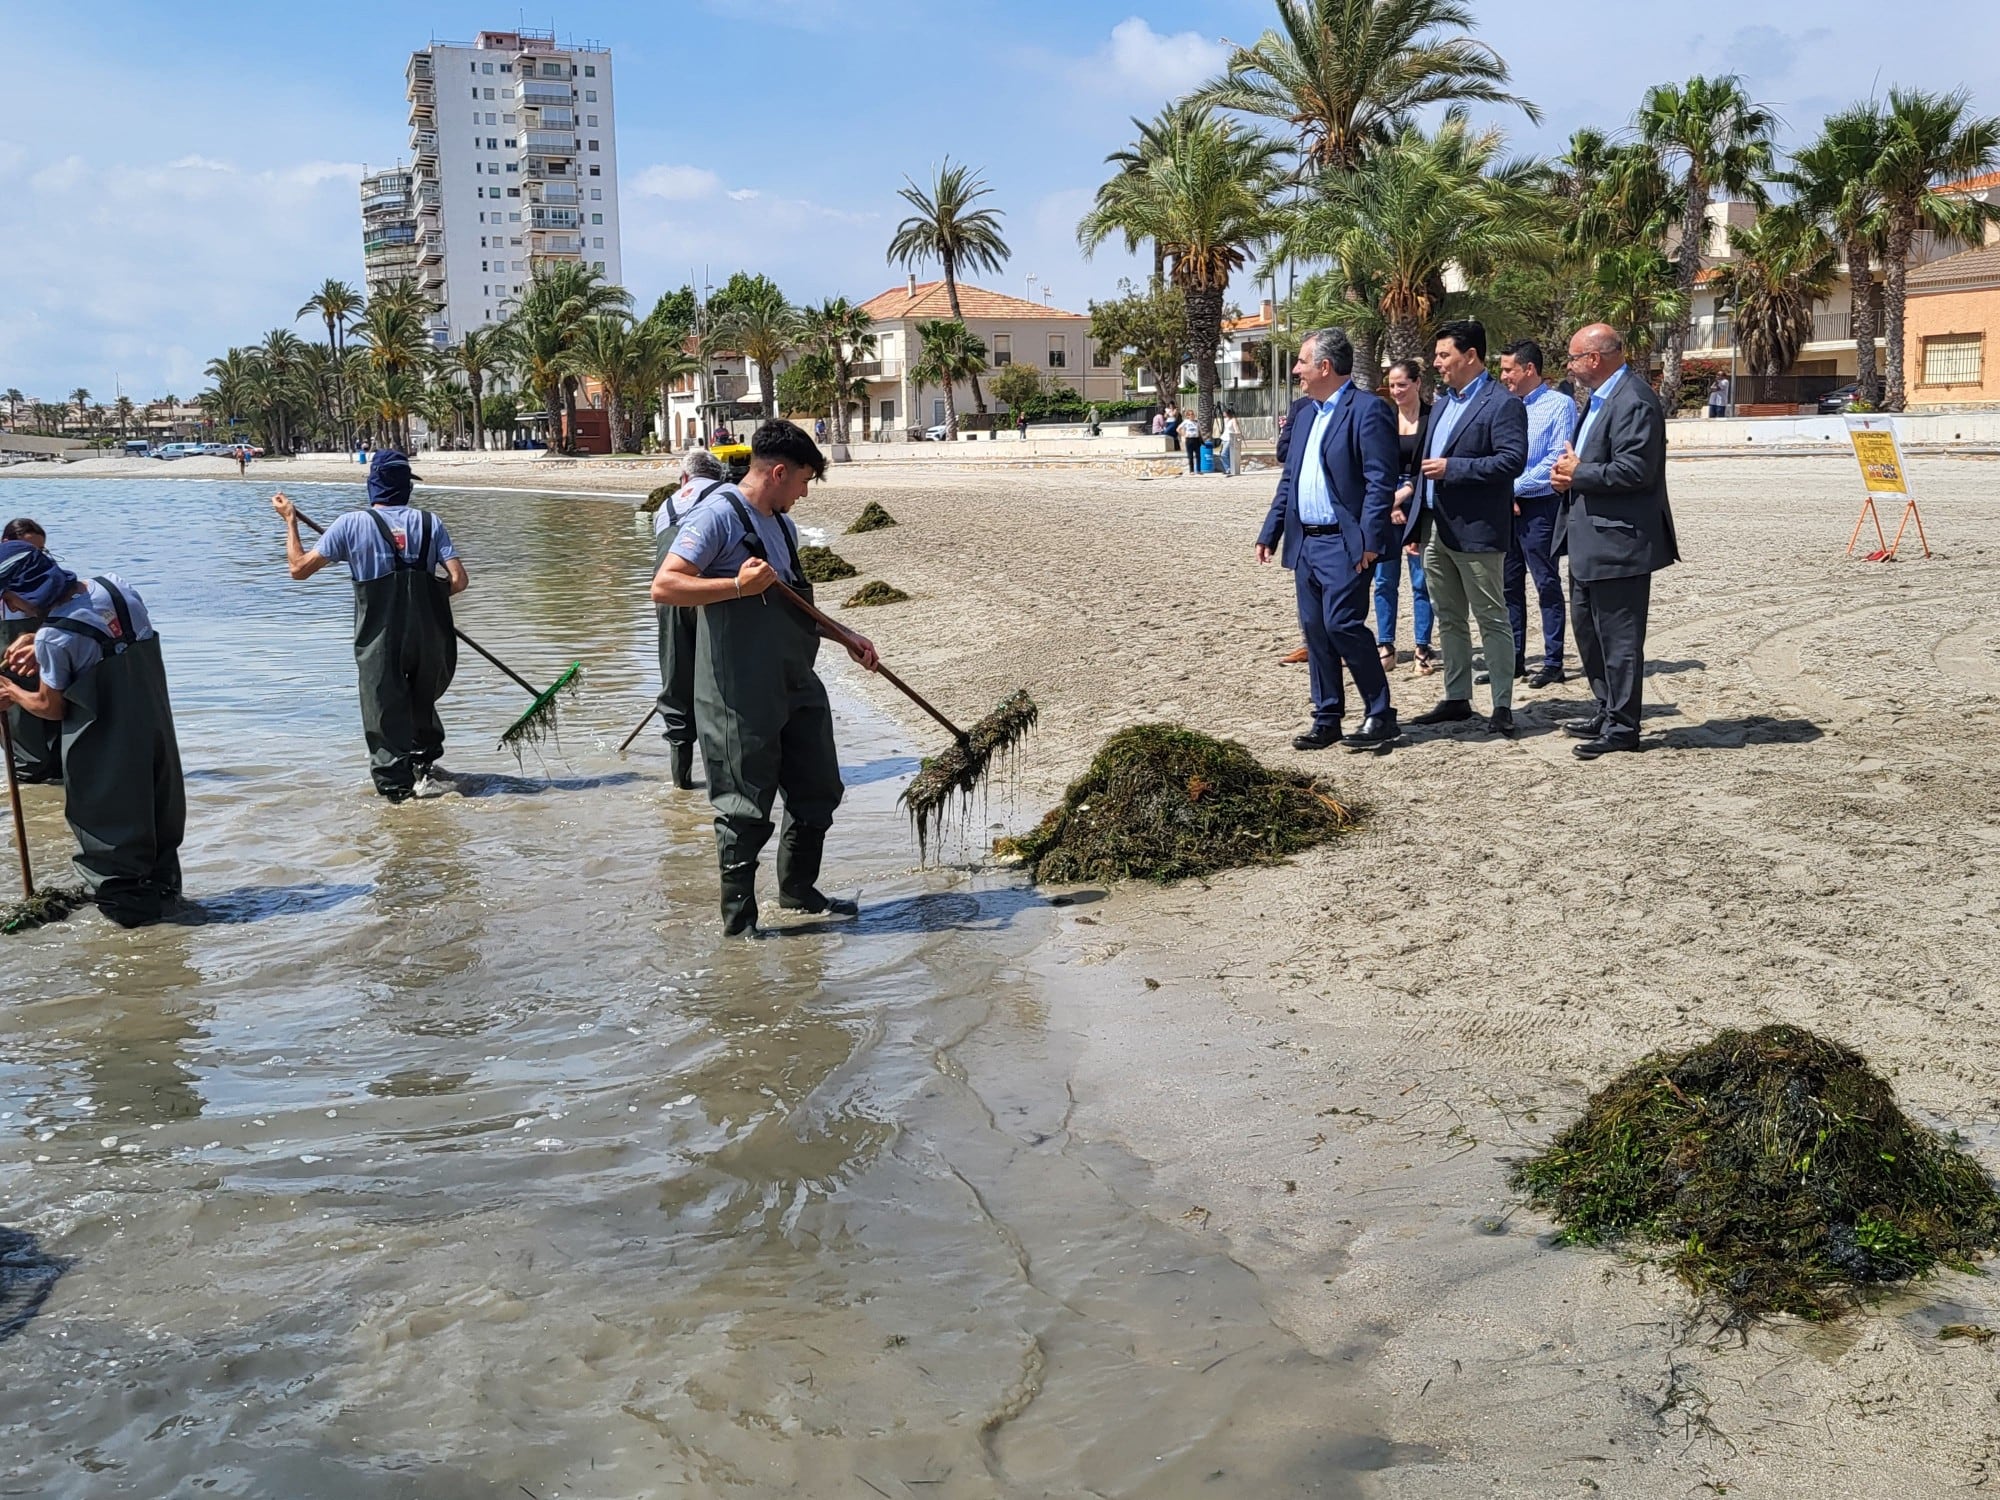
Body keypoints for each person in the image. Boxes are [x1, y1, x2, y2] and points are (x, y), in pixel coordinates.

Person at [651, 420, 879, 935]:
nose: (804, 492)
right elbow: (665, 586)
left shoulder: (781, 524)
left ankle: (799, 893)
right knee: (743, 807)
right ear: (777, 472)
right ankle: (740, 924)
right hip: (738, 692)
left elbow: (793, 602)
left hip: (795, 681)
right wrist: (736, 583)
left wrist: (846, 636)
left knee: (818, 787)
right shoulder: (717, 517)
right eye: (803, 480)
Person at [0, 542, 184, 925]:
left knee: (111, 832)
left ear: (25, 588)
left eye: (9, 597)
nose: (12, 607)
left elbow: (51, 707)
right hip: (153, 729)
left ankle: (133, 935)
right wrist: (41, 637)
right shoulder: (116, 585)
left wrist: (12, 692)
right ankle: (169, 908)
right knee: (155, 814)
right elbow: (109, 633)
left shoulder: (53, 637)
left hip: (105, 743)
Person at [272, 451, 469, 802]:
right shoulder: (430, 522)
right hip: (428, 638)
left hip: (381, 637)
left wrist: (290, 520)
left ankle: (399, 801)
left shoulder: (350, 524)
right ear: (405, 487)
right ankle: (428, 773)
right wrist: (424, 604)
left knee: (382, 708)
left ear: (372, 484)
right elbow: (458, 580)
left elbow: (298, 569)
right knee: (420, 702)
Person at [1256, 327, 1401, 751]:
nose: (1296, 370)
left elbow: (1380, 481)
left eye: (1302, 362)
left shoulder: (1368, 410)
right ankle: (1327, 717)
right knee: (1316, 631)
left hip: (1346, 543)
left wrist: (1371, 540)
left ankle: (1380, 713)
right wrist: (1272, 531)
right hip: (1306, 543)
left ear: (1325, 366)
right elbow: (1290, 480)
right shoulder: (1304, 414)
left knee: (1343, 625)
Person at [1552, 324, 1678, 760]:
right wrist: (1566, 476)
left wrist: (1577, 473)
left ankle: (1624, 726)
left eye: (1572, 358)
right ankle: (1606, 710)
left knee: (1620, 640)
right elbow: (1589, 462)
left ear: (1594, 358)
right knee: (1589, 634)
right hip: (1590, 536)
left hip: (1620, 542)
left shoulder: (1634, 399)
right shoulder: (1599, 400)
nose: (1568, 366)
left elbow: (1634, 471)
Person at [1403, 319, 1527, 736]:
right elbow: (1422, 466)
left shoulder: (1501, 402)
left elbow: (1512, 461)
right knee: (1448, 616)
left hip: (1476, 530)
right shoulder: (1441, 404)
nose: (1437, 363)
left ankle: (1502, 705)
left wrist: (1453, 469)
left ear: (1470, 355)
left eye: (1444, 356)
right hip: (1435, 528)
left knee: (1491, 616)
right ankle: (1457, 697)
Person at [653, 447, 736, 790]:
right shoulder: (727, 496)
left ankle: (681, 784)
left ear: (684, 478)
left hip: (669, 596)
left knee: (676, 686)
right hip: (709, 595)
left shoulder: (665, 507)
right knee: (719, 686)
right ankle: (727, 781)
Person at [1497, 339, 1570, 689]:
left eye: (1508, 369)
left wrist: (1513, 488)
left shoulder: (1560, 405)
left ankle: (1554, 661)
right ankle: (1514, 660)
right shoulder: (1505, 405)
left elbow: (1556, 457)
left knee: (1546, 583)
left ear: (1529, 369)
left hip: (1540, 506)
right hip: (1506, 508)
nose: (1503, 376)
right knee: (1508, 585)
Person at [1374, 360, 1437, 678]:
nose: (1396, 391)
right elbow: (1375, 464)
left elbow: (1426, 467)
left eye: (1402, 384)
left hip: (1420, 502)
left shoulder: (1432, 417)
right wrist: (1390, 503)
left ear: (1416, 383)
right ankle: (1385, 645)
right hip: (1386, 502)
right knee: (1384, 580)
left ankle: (1422, 647)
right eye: (1392, 385)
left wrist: (1404, 498)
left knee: (1420, 580)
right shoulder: (1384, 418)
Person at [2, 518, 62, 784]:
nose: (34, 560)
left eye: (40, 553)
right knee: (28, 759)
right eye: (28, 551)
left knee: (59, 750)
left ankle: (54, 808)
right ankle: (35, 809)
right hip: (8, 676)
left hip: (43, 668)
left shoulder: (46, 582)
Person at [1220, 407, 1242, 477]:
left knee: (1223, 454)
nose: (1223, 413)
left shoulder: (1233, 420)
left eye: (1224, 412)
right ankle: (1228, 469)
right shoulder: (1226, 420)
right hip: (1224, 438)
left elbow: (1236, 428)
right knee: (1226, 454)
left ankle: (1229, 468)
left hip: (1230, 438)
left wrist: (1238, 435)